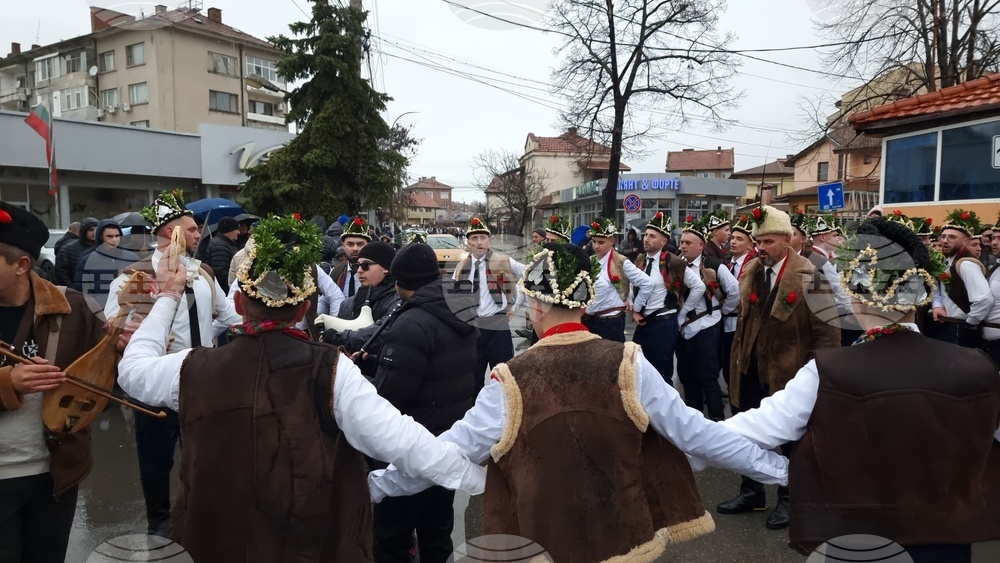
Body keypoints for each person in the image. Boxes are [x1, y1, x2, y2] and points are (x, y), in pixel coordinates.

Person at [370, 243, 791, 563]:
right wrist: (784, 472)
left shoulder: (510, 380)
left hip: (542, 540)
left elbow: (442, 456)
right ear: (586, 303)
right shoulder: (629, 362)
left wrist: (373, 486)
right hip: (624, 536)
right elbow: (701, 435)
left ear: (534, 305)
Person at [117, 216, 484, 562]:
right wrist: (474, 475)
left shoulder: (191, 367)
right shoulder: (333, 370)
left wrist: (169, 295)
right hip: (306, 544)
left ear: (240, 304)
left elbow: (131, 371)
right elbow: (402, 440)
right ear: (303, 309)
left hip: (213, 542)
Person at [708, 217, 1000, 563]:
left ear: (853, 292)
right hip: (948, 541)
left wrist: (672, 433)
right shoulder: (978, 369)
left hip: (859, 539)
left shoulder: (828, 367)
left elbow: (742, 434)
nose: (760, 246)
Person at [105, 190, 242, 537]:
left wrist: (209, 342)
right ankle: (159, 522)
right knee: (155, 459)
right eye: (192, 229)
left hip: (206, 381)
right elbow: (114, 325)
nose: (199, 235)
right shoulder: (135, 276)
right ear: (171, 233)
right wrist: (134, 334)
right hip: (157, 383)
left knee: (208, 454)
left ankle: (201, 513)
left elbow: (230, 316)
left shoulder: (205, 271)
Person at [0, 203, 115, 562]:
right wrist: (9, 382)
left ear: (20, 266)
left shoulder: (74, 307)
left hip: (55, 474)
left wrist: (121, 349)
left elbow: (107, 388)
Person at [355, 242, 478, 563]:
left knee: (392, 540)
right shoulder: (459, 311)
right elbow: (436, 368)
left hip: (408, 454)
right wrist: (381, 360)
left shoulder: (411, 323)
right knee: (437, 535)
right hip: (446, 447)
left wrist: (365, 377)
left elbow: (390, 398)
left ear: (400, 282)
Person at [720, 205, 840, 530]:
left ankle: (790, 499)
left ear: (787, 241)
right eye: (758, 242)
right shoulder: (751, 271)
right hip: (750, 370)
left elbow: (828, 334)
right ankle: (751, 492)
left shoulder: (810, 276)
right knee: (747, 436)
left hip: (789, 374)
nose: (761, 248)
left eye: (768, 242)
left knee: (791, 441)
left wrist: (815, 378)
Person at [676, 215, 739, 421]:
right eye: (682, 242)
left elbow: (734, 291)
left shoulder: (714, 265)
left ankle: (717, 422)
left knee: (708, 378)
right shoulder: (676, 264)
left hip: (707, 326)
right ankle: (695, 423)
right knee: (688, 378)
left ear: (701, 245)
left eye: (688, 243)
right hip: (684, 329)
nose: (683, 246)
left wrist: (722, 310)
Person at [453, 217, 525, 392]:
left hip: (497, 326)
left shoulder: (503, 260)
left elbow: (531, 274)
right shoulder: (461, 267)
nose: (479, 243)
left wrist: (515, 305)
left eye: (483, 238)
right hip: (473, 328)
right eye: (474, 238)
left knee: (504, 380)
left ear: (489, 240)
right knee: (473, 380)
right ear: (468, 242)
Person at [632, 212, 704, 386]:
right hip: (643, 324)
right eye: (646, 235)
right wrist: (633, 309)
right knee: (638, 370)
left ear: (663, 242)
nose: (646, 239)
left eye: (652, 236)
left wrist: (682, 313)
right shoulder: (640, 260)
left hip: (663, 323)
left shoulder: (674, 262)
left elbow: (699, 286)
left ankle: (665, 411)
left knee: (660, 375)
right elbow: (633, 285)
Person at [930, 209, 994, 349]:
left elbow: (984, 299)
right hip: (947, 324)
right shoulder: (948, 262)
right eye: (944, 236)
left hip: (960, 327)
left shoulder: (966, 264)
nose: (945, 241)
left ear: (965, 241)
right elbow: (938, 289)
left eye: (952, 237)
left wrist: (970, 322)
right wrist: (938, 306)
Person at [583, 217, 652, 342]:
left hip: (611, 322)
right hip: (591, 320)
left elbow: (647, 283)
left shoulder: (621, 261)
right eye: (594, 241)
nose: (596, 246)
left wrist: (636, 308)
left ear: (612, 241)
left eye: (601, 242)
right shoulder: (591, 260)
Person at [722, 214, 757, 393]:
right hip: (727, 322)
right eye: (733, 238)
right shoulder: (729, 264)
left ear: (751, 245)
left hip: (741, 321)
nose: (733, 242)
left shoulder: (753, 265)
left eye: (739, 239)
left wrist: (726, 308)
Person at [73, 219, 139, 308]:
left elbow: (139, 283)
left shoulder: (132, 258)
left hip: (126, 308)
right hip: (100, 309)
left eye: (117, 236)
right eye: (109, 236)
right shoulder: (88, 259)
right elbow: (82, 288)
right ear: (101, 236)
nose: (114, 240)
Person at [332, 216, 370, 299]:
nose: (355, 249)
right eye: (350, 244)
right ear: (343, 245)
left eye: (360, 244)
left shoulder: (374, 273)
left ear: (368, 245)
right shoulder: (336, 272)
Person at [53, 216, 97, 286]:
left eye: (96, 230)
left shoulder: (103, 248)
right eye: (91, 230)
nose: (94, 233)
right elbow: (61, 273)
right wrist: (72, 288)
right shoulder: (68, 249)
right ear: (83, 231)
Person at [205, 216, 241, 294]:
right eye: (237, 229)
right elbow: (220, 273)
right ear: (229, 230)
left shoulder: (226, 243)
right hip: (224, 291)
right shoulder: (220, 246)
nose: (239, 232)